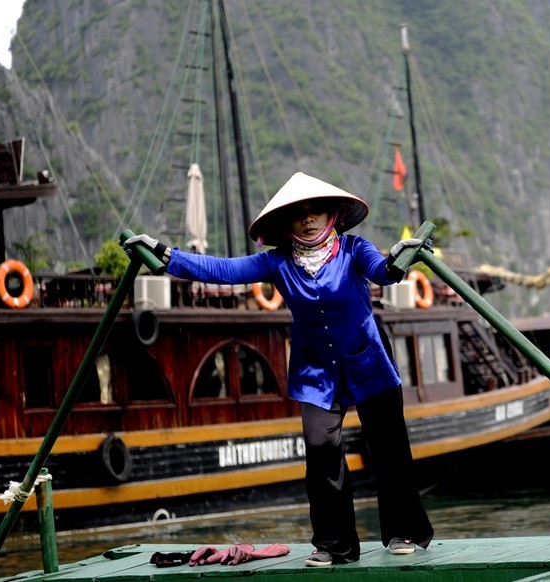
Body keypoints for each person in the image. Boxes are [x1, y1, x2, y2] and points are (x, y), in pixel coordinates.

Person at [125, 172, 433, 567]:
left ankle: (403, 531)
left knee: (389, 448)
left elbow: (383, 271)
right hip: (315, 372)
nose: (308, 219)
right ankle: (335, 546)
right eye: (298, 214)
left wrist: (401, 257)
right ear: (286, 224)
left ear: (333, 213)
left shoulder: (355, 248)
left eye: (315, 211)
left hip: (367, 357)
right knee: (321, 454)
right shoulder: (277, 262)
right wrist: (165, 254)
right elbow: (221, 270)